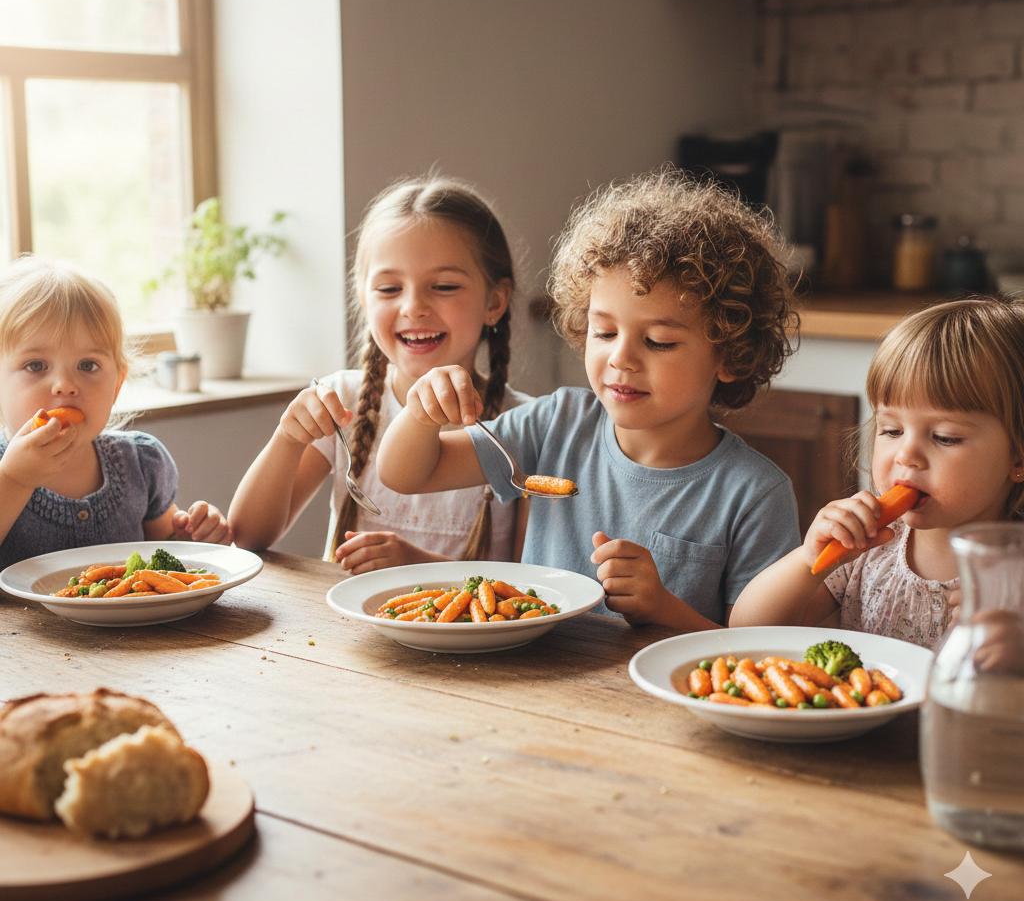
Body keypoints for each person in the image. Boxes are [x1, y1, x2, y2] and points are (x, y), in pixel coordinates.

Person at [376, 169, 801, 629]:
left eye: (658, 340)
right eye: (605, 332)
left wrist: (663, 607)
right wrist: (420, 415)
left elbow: (756, 650)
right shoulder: (556, 424)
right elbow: (406, 474)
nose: (621, 358)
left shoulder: (756, 495)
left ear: (731, 355)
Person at [229, 175, 530, 570]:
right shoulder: (343, 402)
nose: (413, 306)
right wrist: (287, 439)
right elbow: (247, 536)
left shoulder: (527, 426)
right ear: (363, 299)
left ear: (495, 301)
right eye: (389, 289)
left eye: (443, 286)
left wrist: (419, 566)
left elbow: (533, 586)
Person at [731, 296, 1024, 648]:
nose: (907, 455)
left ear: (1018, 458)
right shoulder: (868, 548)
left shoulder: (1015, 576)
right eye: (892, 431)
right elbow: (747, 630)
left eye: (946, 437)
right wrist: (809, 560)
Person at [0, 257, 230, 569]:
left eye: (87, 366)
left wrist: (197, 539)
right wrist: (14, 479)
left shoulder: (139, 463)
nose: (65, 386)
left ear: (117, 384)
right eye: (36, 366)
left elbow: (165, 565)